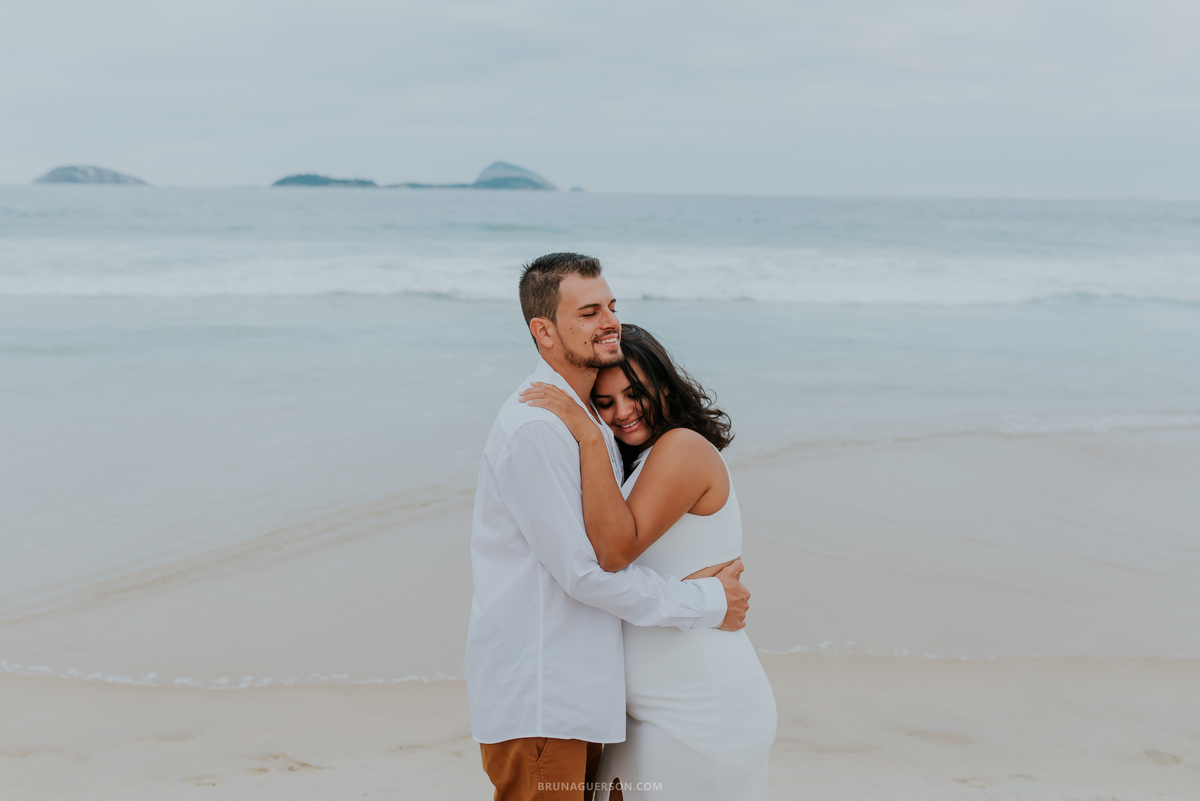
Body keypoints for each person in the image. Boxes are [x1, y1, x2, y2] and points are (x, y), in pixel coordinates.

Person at [465, 253, 751, 801]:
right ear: (544, 331)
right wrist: (708, 601)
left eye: (611, 306)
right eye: (589, 312)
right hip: (544, 697)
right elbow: (585, 573)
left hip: (582, 699)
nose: (609, 322)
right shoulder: (538, 428)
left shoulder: (591, 422)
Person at [520, 323, 777, 800]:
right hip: (642, 711)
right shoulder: (638, 463)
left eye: (634, 394)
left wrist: (587, 434)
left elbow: (614, 553)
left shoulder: (682, 447)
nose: (622, 412)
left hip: (701, 705)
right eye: (604, 403)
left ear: (664, 385)